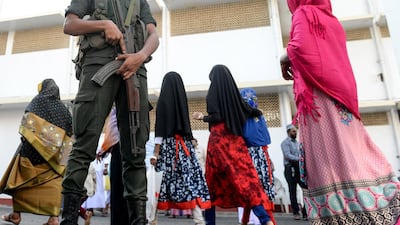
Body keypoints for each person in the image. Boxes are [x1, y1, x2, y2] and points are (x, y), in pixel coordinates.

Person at [280, 0, 400, 224]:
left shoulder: (304, 13)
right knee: (355, 154)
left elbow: (300, 48)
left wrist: (284, 56)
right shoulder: (332, 21)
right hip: (341, 99)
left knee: (328, 164)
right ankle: (383, 200)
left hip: (319, 102)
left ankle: (343, 216)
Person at [61, 0, 159, 224]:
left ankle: (138, 220)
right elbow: (70, 24)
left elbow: (153, 35)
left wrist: (140, 56)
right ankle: (68, 219)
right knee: (84, 145)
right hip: (97, 65)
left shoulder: (138, 2)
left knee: (135, 150)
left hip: (134, 69)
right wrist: (103, 24)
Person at [192, 64, 274, 225]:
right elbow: (251, 110)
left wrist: (203, 117)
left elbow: (217, 117)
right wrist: (258, 112)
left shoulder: (212, 95)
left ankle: (210, 222)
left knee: (212, 182)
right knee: (245, 179)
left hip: (218, 141)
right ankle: (265, 219)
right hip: (236, 141)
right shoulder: (235, 97)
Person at [0, 79, 73, 225]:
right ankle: (53, 219)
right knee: (54, 185)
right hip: (53, 160)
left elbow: (27, 122)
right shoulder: (64, 110)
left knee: (19, 181)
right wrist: (61, 160)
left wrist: (37, 141)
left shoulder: (38, 100)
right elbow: (69, 134)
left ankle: (16, 215)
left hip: (30, 153)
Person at [150, 71, 211, 225]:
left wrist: (156, 154)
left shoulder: (163, 104)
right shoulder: (182, 102)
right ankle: (199, 220)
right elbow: (186, 128)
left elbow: (160, 131)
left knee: (161, 184)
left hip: (168, 150)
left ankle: (152, 219)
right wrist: (191, 141)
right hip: (185, 149)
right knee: (190, 183)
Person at [239, 88, 276, 225]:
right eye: (247, 100)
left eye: (253, 99)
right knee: (254, 190)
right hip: (250, 154)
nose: (251, 102)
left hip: (259, 154)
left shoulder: (258, 115)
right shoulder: (243, 116)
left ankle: (266, 220)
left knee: (257, 190)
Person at [280, 124, 305, 220]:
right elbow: (287, 155)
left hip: (298, 167)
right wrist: (300, 159)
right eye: (293, 131)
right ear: (289, 132)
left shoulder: (297, 143)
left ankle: (305, 211)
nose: (295, 133)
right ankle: (296, 212)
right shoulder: (285, 143)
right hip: (290, 168)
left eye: (296, 131)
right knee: (293, 190)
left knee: (304, 188)